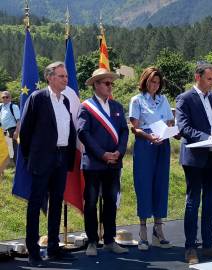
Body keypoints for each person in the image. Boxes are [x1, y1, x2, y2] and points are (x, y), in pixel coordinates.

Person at [20, 61, 76, 267]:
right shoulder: (38, 98)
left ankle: (53, 247)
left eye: (66, 76)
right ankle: (33, 251)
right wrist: (31, 158)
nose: (66, 80)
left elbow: (68, 131)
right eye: (61, 76)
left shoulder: (66, 101)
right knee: (35, 205)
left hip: (61, 158)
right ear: (50, 78)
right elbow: (25, 133)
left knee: (56, 203)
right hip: (42, 159)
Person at [175, 62, 212, 264]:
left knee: (211, 202)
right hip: (195, 159)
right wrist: (208, 138)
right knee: (193, 201)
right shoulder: (184, 98)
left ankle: (209, 245)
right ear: (198, 77)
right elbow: (185, 128)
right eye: (209, 79)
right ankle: (190, 248)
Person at [77, 68, 129, 256]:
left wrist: (119, 152)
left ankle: (109, 240)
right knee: (90, 202)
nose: (110, 86)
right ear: (96, 85)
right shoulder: (86, 107)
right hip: (94, 163)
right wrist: (102, 154)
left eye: (111, 83)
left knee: (110, 202)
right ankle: (92, 241)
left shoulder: (117, 107)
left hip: (114, 163)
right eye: (107, 83)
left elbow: (124, 131)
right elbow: (84, 133)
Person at [129, 66, 174, 250]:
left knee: (161, 185)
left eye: (157, 82)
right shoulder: (137, 100)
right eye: (151, 82)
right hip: (145, 144)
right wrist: (149, 136)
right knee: (144, 184)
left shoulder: (163, 100)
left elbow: (171, 121)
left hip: (162, 143)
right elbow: (135, 127)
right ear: (145, 81)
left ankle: (158, 230)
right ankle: (142, 231)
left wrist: (171, 129)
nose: (155, 85)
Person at [0, 90, 20, 164]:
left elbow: (18, 121)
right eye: (3, 97)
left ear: (10, 98)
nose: (5, 98)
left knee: (14, 151)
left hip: (12, 130)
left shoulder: (14, 107)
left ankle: (17, 169)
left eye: (7, 97)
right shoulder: (1, 106)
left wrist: (16, 132)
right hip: (4, 131)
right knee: (7, 151)